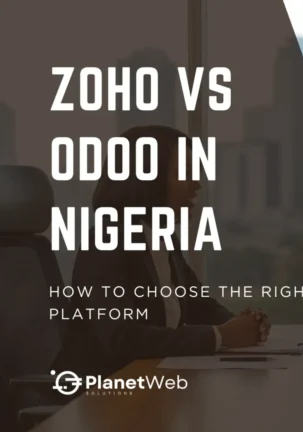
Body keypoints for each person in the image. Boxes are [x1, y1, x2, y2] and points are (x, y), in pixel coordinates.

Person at [54, 125, 270, 377]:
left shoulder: (162, 238)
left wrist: (242, 324)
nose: (197, 184)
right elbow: (121, 338)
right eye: (186, 172)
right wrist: (221, 336)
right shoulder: (106, 240)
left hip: (150, 385)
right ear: (150, 177)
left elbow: (200, 305)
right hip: (98, 397)